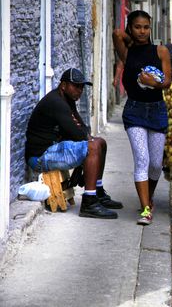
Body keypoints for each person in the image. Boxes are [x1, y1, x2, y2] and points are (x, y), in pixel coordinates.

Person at [25, 68, 122, 219]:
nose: (80, 90)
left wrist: (82, 132)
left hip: (54, 150)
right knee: (93, 146)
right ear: (63, 85)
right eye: (76, 86)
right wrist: (81, 133)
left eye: (82, 87)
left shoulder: (67, 100)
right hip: (40, 157)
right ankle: (89, 203)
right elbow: (78, 134)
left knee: (100, 143)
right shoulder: (56, 102)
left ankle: (98, 191)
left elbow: (83, 128)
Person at [112, 10, 172, 225]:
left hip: (157, 110)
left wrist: (153, 83)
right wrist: (131, 37)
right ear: (131, 28)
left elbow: (166, 82)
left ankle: (149, 196)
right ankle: (145, 209)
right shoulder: (127, 54)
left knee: (156, 164)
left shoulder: (161, 51)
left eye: (146, 27)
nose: (142, 31)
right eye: (137, 27)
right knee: (142, 160)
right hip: (134, 112)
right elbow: (117, 33)